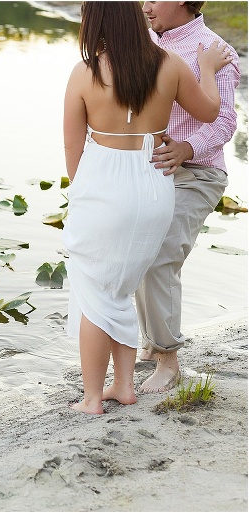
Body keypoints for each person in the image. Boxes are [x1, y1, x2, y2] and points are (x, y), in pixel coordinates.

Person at [62, 1, 232, 414]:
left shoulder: (86, 71)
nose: (147, 5)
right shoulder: (169, 61)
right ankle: (123, 386)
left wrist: (81, 195)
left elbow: (72, 147)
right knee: (123, 283)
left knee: (95, 292)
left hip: (116, 186)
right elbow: (208, 109)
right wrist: (204, 70)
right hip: (155, 186)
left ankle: (91, 399)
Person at [136, 1, 241, 393]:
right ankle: (149, 342)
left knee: (161, 252)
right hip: (149, 168)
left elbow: (227, 122)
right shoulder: (141, 42)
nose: (145, 6)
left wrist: (187, 148)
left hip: (198, 172)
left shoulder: (215, 51)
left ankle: (168, 360)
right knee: (137, 250)